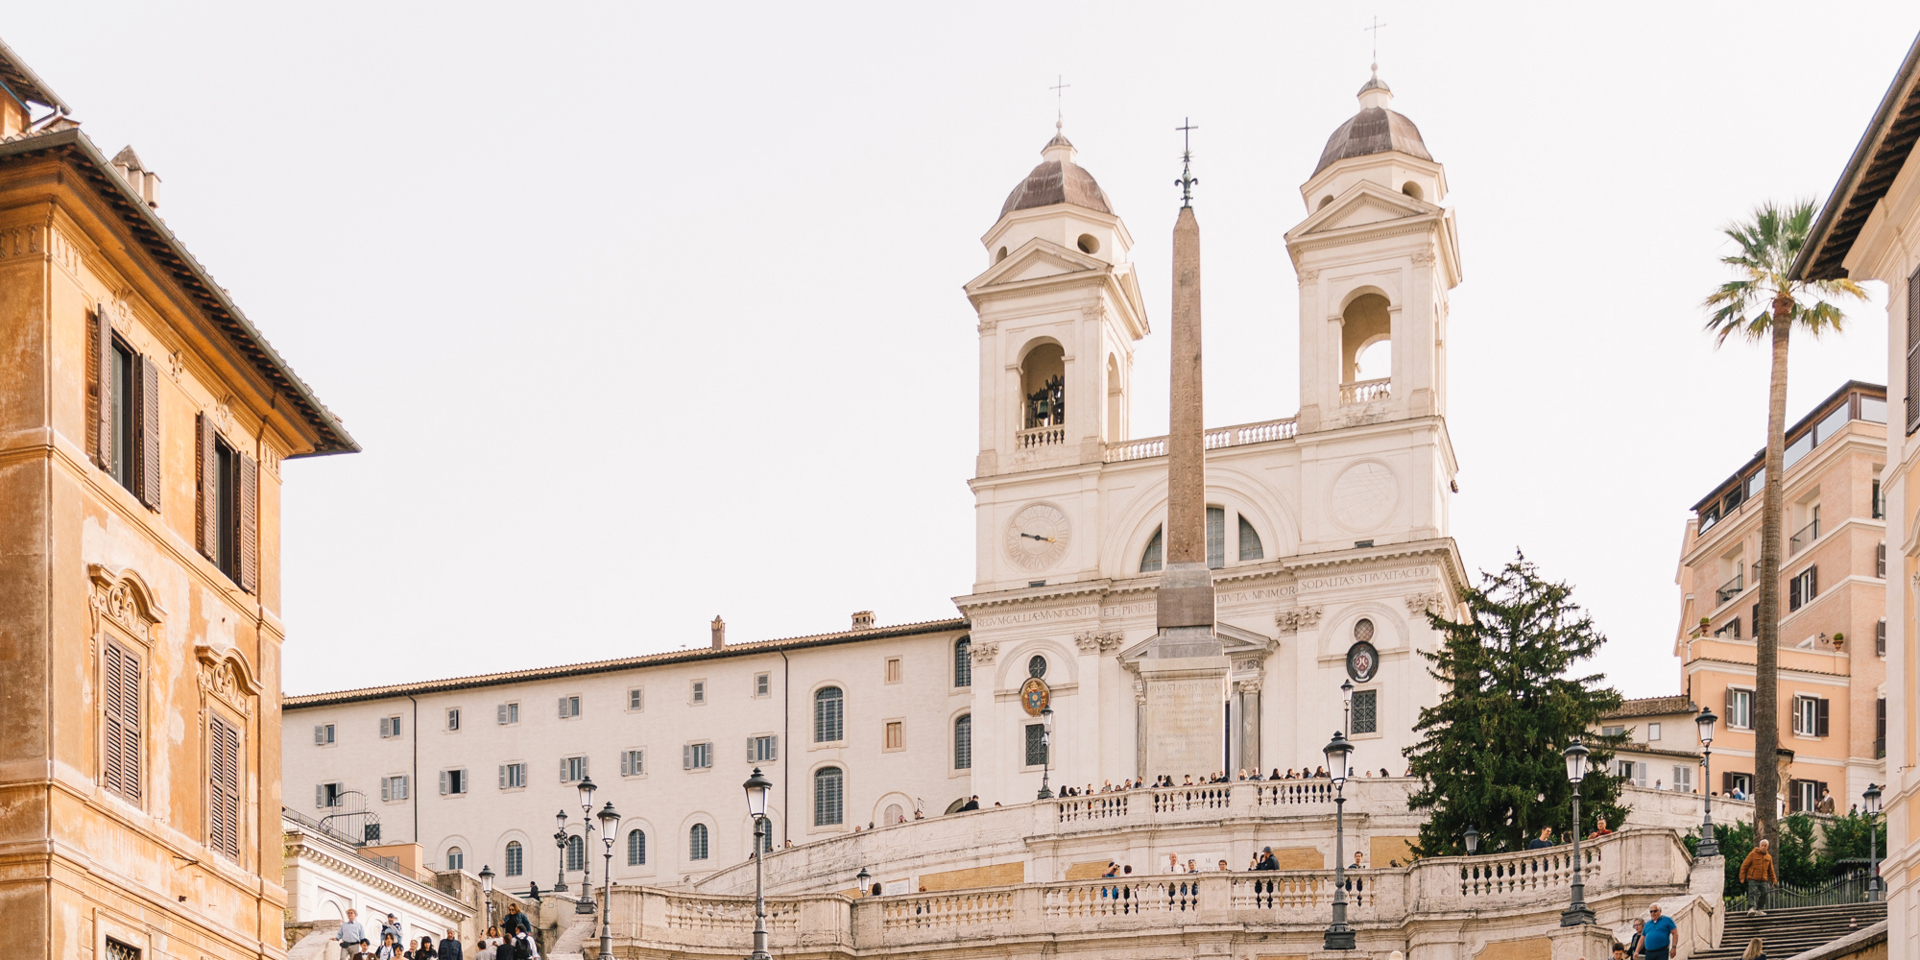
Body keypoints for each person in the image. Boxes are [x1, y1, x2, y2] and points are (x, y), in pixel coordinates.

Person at [1739, 839, 1777, 915]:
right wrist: (1742, 877)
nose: (1763, 847)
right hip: (1753, 877)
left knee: (1764, 893)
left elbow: (1771, 870)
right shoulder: (1752, 854)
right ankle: (1751, 908)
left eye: (1765, 845)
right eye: (1762, 845)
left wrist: (1774, 880)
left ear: (1767, 847)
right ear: (1759, 846)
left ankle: (1759, 909)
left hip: (1763, 879)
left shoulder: (1769, 857)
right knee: (1752, 892)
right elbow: (1744, 865)